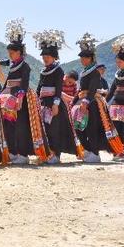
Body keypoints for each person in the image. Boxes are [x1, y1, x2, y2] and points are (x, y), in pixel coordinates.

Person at [33, 29, 77, 164]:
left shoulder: (58, 70)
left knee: (54, 130)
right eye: (44, 56)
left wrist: (56, 104)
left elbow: (58, 89)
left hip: (54, 104)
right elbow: (39, 87)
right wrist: (35, 100)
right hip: (44, 103)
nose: (45, 58)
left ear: (54, 57)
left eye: (48, 56)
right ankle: (47, 154)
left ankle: (56, 155)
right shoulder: (43, 71)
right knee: (45, 130)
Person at [0, 18, 32, 165]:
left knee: (20, 126)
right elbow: (5, 70)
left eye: (12, 52)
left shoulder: (25, 66)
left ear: (19, 52)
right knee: (9, 127)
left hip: (19, 98)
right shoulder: (13, 64)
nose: (10, 55)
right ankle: (13, 152)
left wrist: (20, 96)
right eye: (9, 52)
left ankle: (23, 154)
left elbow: (25, 83)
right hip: (8, 96)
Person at [70, 33, 105, 163]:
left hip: (92, 103)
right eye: (82, 57)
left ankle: (95, 153)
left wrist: (85, 101)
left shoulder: (95, 71)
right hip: (81, 102)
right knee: (78, 127)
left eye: (85, 57)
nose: (82, 60)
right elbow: (80, 89)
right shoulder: (84, 72)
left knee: (91, 129)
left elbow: (93, 88)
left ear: (91, 58)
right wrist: (74, 101)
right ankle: (88, 150)